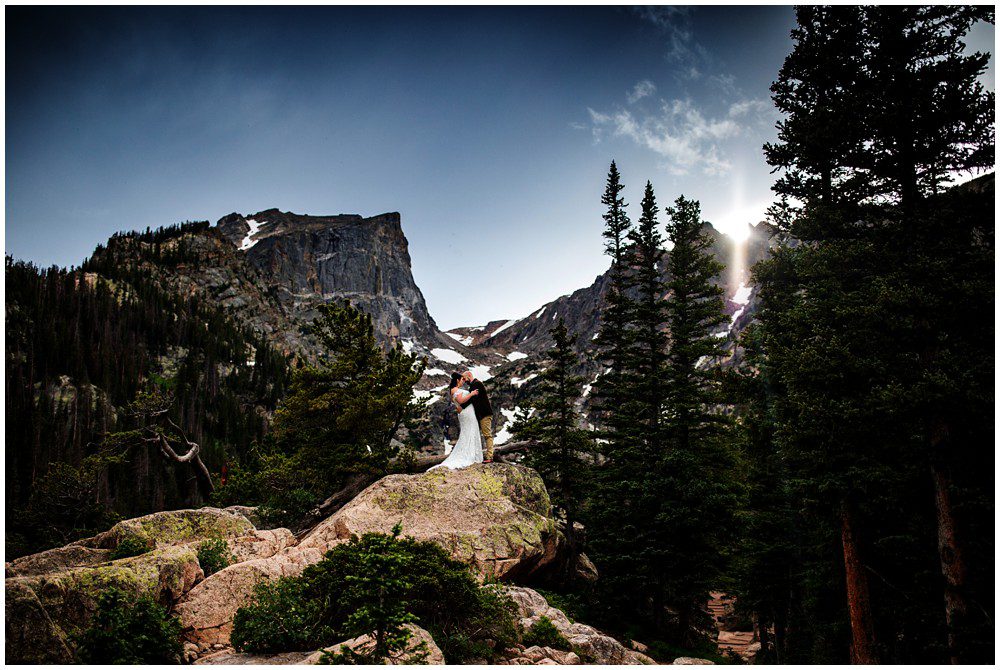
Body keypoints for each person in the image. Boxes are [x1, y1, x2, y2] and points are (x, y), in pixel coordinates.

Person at [429, 372, 483, 470]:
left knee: (471, 431)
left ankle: (472, 454)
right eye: (462, 380)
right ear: (458, 380)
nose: (463, 382)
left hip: (467, 412)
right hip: (466, 413)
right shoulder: (455, 390)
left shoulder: (455, 390)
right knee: (468, 432)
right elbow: (461, 401)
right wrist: (472, 394)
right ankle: (468, 455)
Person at [459, 369, 494, 463]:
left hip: (484, 414)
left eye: (465, 378)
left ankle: (490, 456)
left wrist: (461, 406)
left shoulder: (476, 384)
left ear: (469, 376)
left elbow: (472, 399)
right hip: (481, 414)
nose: (464, 381)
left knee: (487, 435)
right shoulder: (474, 385)